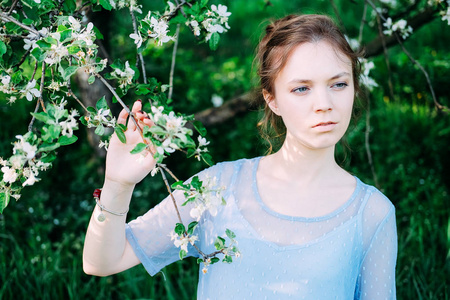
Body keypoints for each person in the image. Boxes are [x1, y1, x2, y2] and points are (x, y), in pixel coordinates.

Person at [83, 14, 397, 299]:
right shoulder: (217, 189)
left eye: (338, 84)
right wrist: (117, 183)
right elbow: (102, 261)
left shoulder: (372, 214)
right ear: (271, 99)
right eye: (302, 89)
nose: (324, 103)